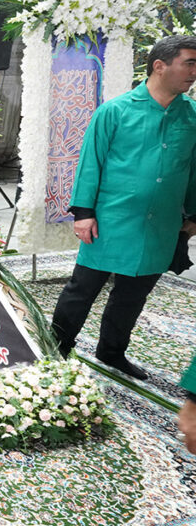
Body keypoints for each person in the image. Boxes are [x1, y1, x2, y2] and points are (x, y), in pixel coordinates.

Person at [51, 35, 196, 380]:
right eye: (189, 63)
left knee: (133, 295)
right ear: (159, 66)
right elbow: (91, 162)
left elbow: (193, 169)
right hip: (111, 221)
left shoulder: (192, 115)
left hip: (161, 225)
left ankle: (112, 351)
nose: (194, 73)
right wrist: (84, 213)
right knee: (82, 290)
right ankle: (55, 347)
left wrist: (193, 216)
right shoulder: (115, 111)